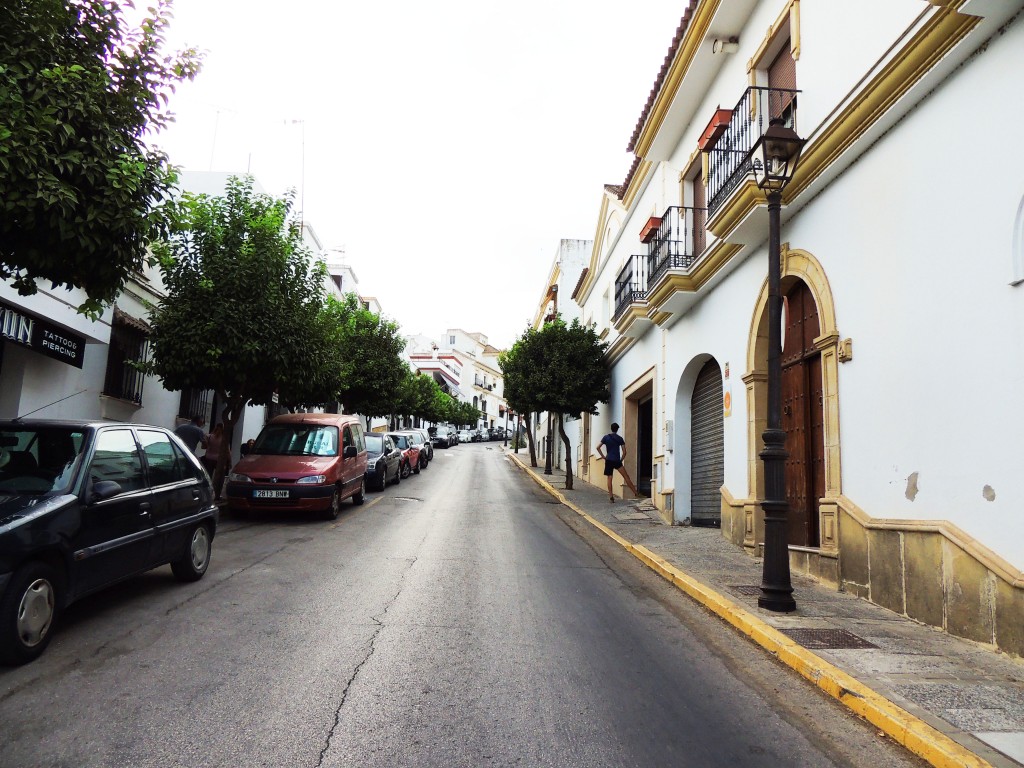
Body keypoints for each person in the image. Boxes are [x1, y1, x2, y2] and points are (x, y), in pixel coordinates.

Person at [596, 422, 639, 503]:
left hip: (608, 460)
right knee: (626, 477)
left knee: (609, 478)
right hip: (616, 460)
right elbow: (624, 452)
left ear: (611, 428)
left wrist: (603, 456)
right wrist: (621, 460)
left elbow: (598, 447)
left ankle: (611, 497)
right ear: (617, 429)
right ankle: (636, 493)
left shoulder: (606, 437)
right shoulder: (620, 439)